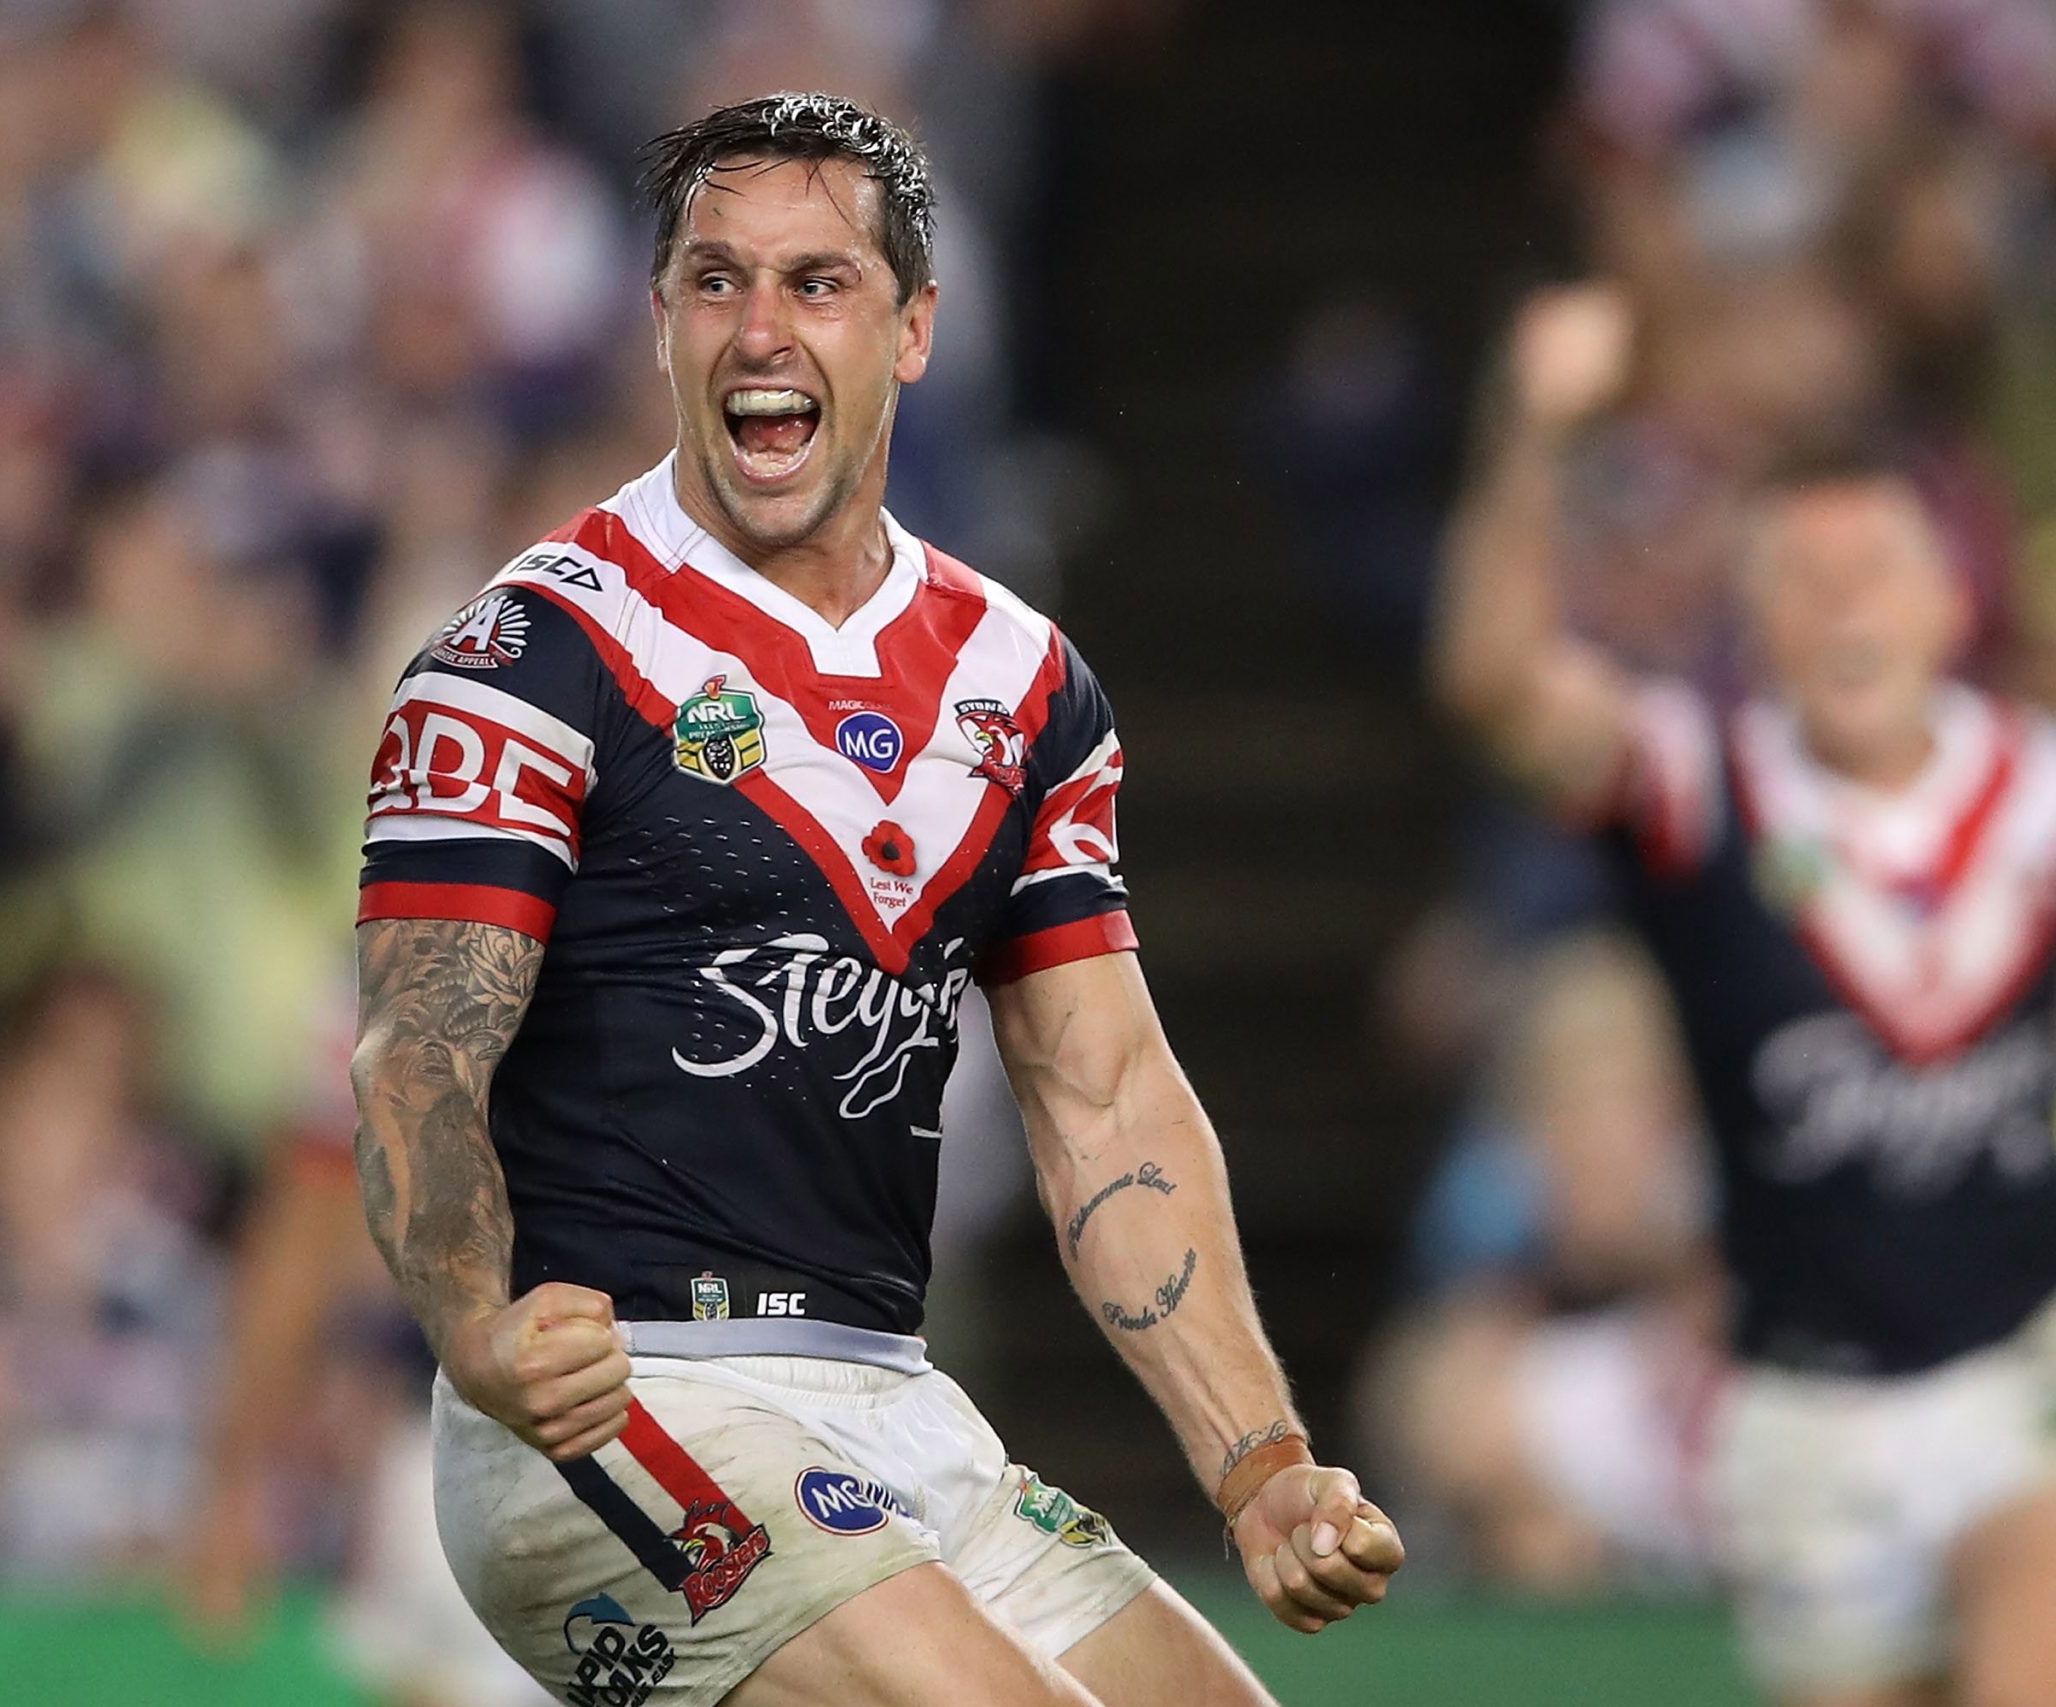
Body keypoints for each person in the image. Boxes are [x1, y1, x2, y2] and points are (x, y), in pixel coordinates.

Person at [347, 92, 1403, 1707]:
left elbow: (1104, 1092)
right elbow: (419, 1051)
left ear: (913, 329)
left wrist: (1256, 1459)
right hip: (621, 1408)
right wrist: (477, 1324)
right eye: (715, 282)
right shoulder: (530, 656)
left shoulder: (1022, 683)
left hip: (892, 1408)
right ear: (659, 323)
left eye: (817, 283)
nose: (760, 329)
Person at [1434, 281, 2056, 1707]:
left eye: (1876, 568)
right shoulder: (1699, 785)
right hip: (1805, 1417)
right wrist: (1529, 429)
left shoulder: (2034, 795)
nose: (1845, 606)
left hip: (2019, 1374)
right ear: (1751, 614)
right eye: (1803, 575)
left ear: (1951, 596)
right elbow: (1492, 687)